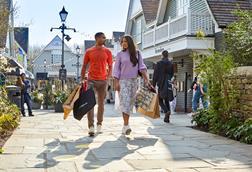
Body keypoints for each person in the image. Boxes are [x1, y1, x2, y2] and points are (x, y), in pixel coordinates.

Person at [113, 35, 150, 135]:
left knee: (129, 104)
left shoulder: (137, 53)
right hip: (123, 82)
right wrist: (116, 83)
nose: (123, 43)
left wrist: (147, 80)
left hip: (134, 82)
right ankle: (126, 125)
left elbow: (142, 67)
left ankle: (125, 126)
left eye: (125, 41)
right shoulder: (119, 54)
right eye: (122, 42)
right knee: (125, 102)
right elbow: (116, 70)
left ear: (130, 42)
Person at [81, 32, 113, 136]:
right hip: (91, 80)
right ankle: (91, 126)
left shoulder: (107, 51)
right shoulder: (89, 51)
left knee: (101, 104)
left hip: (103, 81)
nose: (105, 39)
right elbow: (84, 65)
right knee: (90, 104)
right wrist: (82, 79)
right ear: (97, 38)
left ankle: (99, 124)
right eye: (103, 37)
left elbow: (110, 66)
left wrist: (108, 78)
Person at [152, 50, 174, 123]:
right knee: (166, 99)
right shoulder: (171, 63)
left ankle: (166, 111)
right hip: (168, 83)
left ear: (162, 55)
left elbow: (155, 76)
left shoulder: (158, 64)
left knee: (159, 99)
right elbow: (172, 74)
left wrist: (153, 85)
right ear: (167, 55)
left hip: (161, 83)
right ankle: (167, 118)